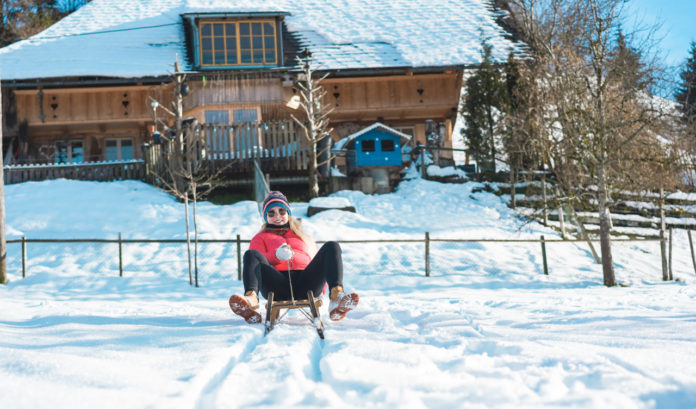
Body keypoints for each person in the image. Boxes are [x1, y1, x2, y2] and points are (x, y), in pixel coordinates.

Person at [229, 191, 359, 324]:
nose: (277, 216)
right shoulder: (260, 237)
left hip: (306, 283)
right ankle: (251, 302)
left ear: (288, 213)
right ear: (265, 216)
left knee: (332, 246)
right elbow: (255, 264)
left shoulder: (302, 236)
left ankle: (336, 297)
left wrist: (322, 290)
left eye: (281, 211)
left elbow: (322, 263)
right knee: (251, 254)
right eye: (271, 213)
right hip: (277, 284)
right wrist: (276, 256)